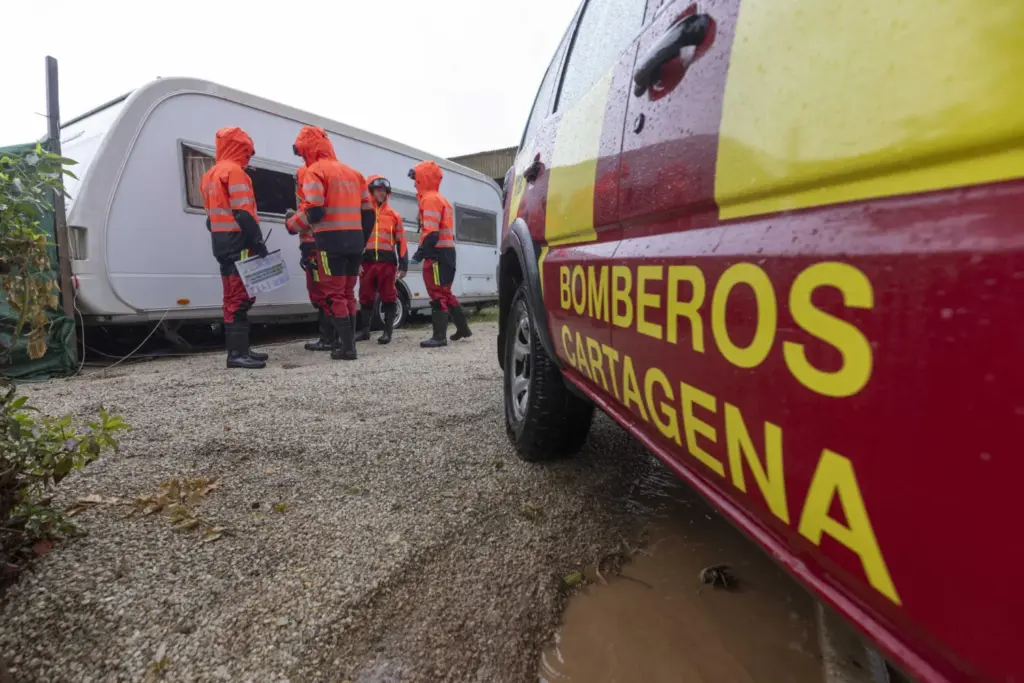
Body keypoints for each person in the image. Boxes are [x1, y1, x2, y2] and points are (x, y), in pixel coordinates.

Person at [286, 126, 374, 361]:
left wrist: (291, 224)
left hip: (329, 242)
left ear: (306, 148)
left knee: (334, 295)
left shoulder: (315, 171)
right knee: (348, 293)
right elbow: (369, 214)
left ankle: (347, 348)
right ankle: (349, 344)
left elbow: (314, 210)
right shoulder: (355, 174)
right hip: (355, 242)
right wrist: (362, 241)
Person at [200, 126, 269, 369]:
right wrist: (257, 242)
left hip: (220, 242)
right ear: (240, 148)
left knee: (232, 296)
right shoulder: (236, 172)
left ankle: (241, 349)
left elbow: (211, 218)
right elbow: (243, 213)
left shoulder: (209, 175)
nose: (249, 156)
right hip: (238, 241)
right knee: (240, 297)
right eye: (247, 151)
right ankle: (238, 355)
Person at [408, 160, 472, 348]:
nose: (414, 184)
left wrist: (419, 255)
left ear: (423, 179)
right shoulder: (441, 198)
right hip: (446, 253)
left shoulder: (429, 199)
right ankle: (463, 328)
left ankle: (439, 337)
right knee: (445, 291)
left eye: (416, 179)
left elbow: (431, 232)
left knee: (437, 293)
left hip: (436, 255)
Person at [355, 175, 408, 345]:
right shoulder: (362, 212)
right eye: (378, 190)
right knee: (365, 296)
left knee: (389, 296)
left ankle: (387, 333)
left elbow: (401, 241)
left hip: (387, 263)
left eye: (384, 191)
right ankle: (364, 331)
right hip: (367, 262)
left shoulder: (394, 216)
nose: (381, 194)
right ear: (371, 191)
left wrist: (403, 264)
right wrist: (356, 262)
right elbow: (355, 237)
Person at [286, 164, 332, 351]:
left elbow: (295, 225)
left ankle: (327, 339)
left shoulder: (310, 203)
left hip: (315, 254)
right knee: (328, 294)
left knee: (321, 296)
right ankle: (333, 338)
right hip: (317, 253)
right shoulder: (325, 197)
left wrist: (290, 218)